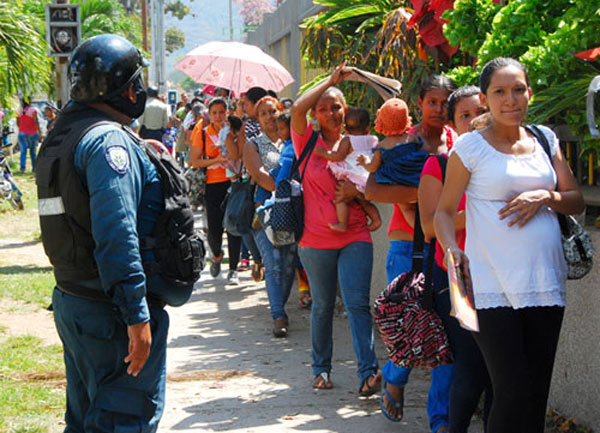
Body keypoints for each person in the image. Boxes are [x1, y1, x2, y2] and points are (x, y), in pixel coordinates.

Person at [36, 34, 194, 432]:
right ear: (122, 88)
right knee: (123, 420)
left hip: (75, 300)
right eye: (135, 82)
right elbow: (117, 233)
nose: (139, 91)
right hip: (112, 315)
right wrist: (136, 315)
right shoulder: (108, 144)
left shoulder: (63, 136)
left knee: (88, 417)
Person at [434, 57, 584, 433]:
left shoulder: (545, 139)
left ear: (529, 93)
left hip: (546, 281)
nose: (511, 99)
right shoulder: (469, 148)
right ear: (485, 99)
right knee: (511, 390)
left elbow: (575, 199)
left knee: (535, 393)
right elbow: (444, 213)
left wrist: (544, 196)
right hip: (492, 285)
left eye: (518, 89)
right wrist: (453, 249)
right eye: (500, 92)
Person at [365, 75, 457, 432]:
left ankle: (441, 420)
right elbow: (373, 188)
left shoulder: (456, 140)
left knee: (446, 336)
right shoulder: (402, 138)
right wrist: (422, 196)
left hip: (445, 245)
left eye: (444, 102)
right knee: (410, 326)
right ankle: (394, 376)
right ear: (420, 103)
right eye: (432, 101)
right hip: (407, 248)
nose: (439, 108)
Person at [290, 62, 380, 395]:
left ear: (346, 111)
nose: (331, 113)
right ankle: (321, 369)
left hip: (355, 233)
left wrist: (359, 194)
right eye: (324, 108)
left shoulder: (358, 141)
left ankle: (368, 373)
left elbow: (373, 181)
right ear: (315, 115)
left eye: (336, 107)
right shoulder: (306, 141)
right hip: (315, 240)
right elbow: (298, 107)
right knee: (323, 306)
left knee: (358, 304)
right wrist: (329, 81)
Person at [418, 85, 492, 433]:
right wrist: (476, 211)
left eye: (481, 111)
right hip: (457, 278)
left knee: (498, 375)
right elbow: (430, 226)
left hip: (500, 274)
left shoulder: (503, 161)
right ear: (454, 122)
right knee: (472, 366)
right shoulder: (440, 164)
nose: (476, 120)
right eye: (466, 115)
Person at [243, 96, 298, 337]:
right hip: (264, 210)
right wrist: (283, 182)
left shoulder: (293, 140)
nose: (269, 117)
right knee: (274, 261)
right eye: (263, 113)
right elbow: (260, 175)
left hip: (293, 210)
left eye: (273, 111)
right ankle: (278, 315)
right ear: (258, 118)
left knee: (288, 263)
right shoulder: (254, 144)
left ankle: (280, 305)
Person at [189, 97, 242, 284]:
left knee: (234, 225)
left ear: (227, 113)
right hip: (212, 185)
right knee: (214, 228)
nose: (218, 116)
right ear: (209, 115)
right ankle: (217, 255)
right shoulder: (202, 133)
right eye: (214, 113)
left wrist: (227, 136)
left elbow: (236, 155)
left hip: (234, 183)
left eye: (222, 112)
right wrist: (216, 160)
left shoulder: (233, 130)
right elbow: (194, 161)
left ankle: (233, 269)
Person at [313, 107, 381, 232]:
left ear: (345, 129)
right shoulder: (373, 139)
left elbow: (338, 156)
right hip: (368, 178)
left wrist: (323, 152)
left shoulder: (348, 140)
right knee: (364, 202)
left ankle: (342, 224)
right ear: (368, 127)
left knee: (340, 199)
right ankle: (376, 220)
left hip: (353, 176)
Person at [17, 98, 41, 173]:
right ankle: (35, 168)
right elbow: (36, 122)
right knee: (33, 152)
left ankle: (22, 169)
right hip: (32, 133)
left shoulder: (19, 110)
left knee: (23, 151)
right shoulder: (33, 110)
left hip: (22, 133)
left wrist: (22, 128)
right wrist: (40, 132)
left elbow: (17, 122)